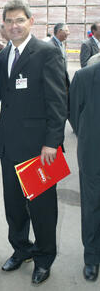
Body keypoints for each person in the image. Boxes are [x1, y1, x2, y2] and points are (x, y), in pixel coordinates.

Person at [0, 0, 67, 286]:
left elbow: (58, 100)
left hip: (39, 149)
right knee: (14, 206)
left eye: (19, 20)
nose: (14, 26)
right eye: (9, 21)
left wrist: (52, 142)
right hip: (9, 146)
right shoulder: (5, 56)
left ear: (31, 21)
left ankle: (43, 258)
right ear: (4, 26)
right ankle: (21, 249)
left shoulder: (47, 52)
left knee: (41, 208)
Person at [70, 63, 100, 282]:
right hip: (93, 153)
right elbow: (73, 113)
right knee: (92, 205)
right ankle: (91, 257)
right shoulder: (84, 77)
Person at [50, 23, 70, 89]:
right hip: (54, 84)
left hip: (62, 82)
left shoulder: (62, 45)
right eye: (66, 31)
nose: (68, 33)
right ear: (59, 31)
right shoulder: (50, 46)